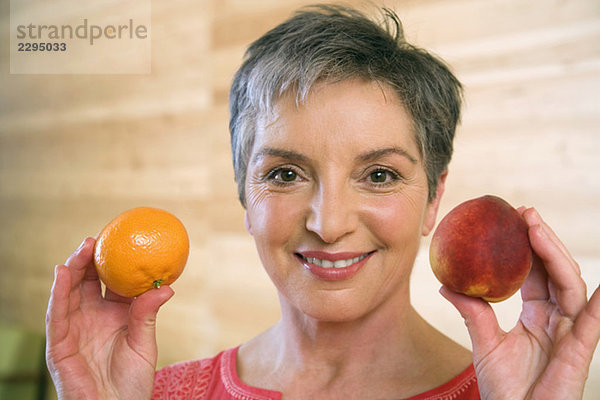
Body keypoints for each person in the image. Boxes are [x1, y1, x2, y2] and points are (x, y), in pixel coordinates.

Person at [45, 5, 600, 399]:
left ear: (434, 198)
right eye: (285, 173)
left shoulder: (514, 394)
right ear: (245, 194)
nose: (329, 224)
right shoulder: (150, 396)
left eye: (379, 174)